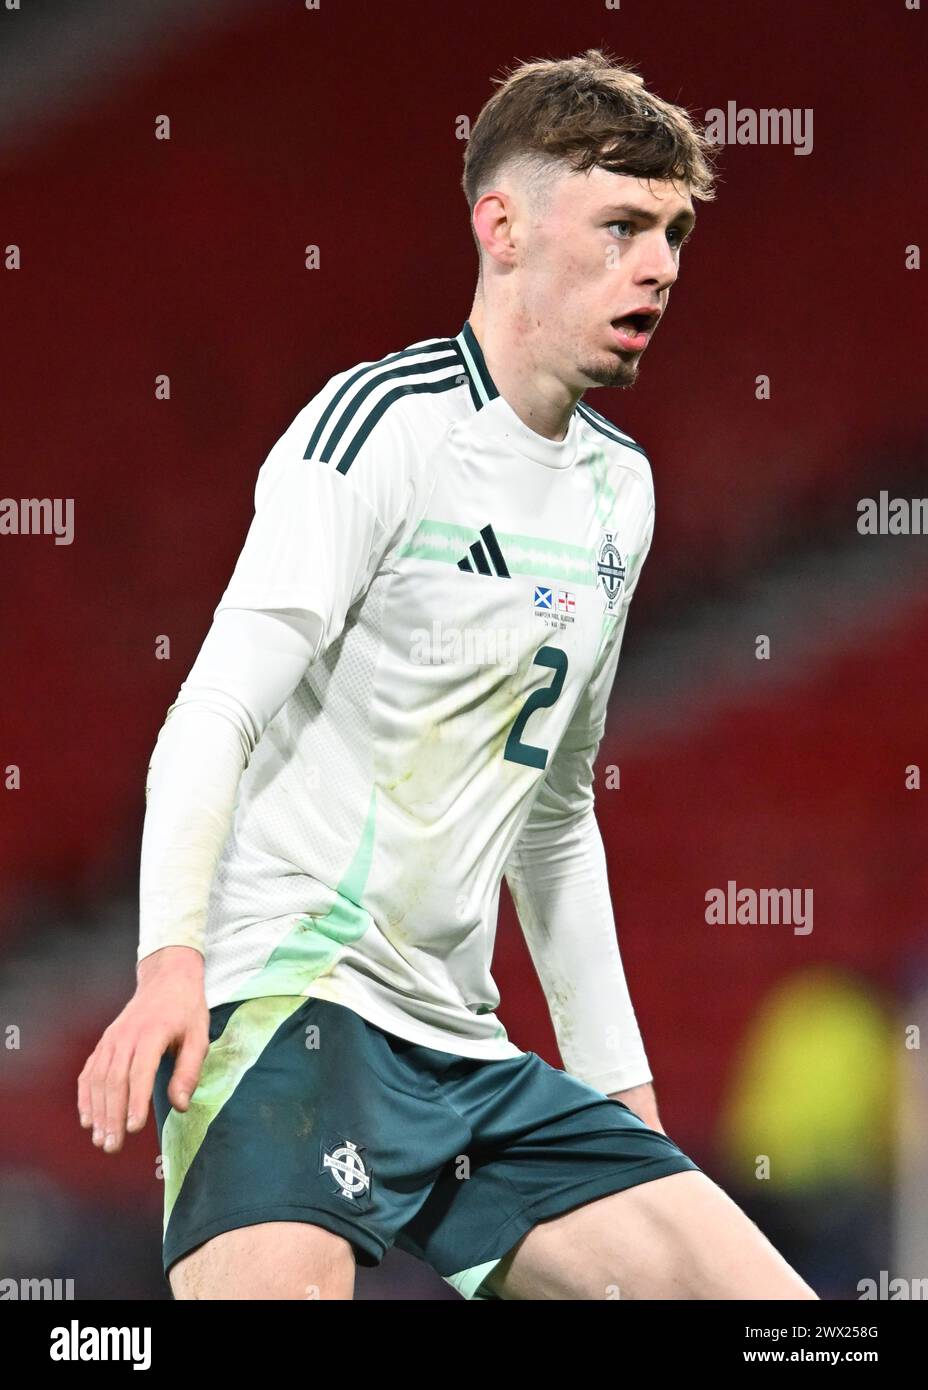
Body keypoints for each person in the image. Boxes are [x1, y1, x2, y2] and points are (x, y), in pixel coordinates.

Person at [77, 48, 817, 1301]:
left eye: (675, 234)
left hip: (461, 1047)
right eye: (625, 226)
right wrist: (172, 963)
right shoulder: (378, 429)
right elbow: (215, 706)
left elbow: (557, 813)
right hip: (289, 1010)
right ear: (504, 226)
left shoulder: (617, 492)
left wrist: (617, 1090)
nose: (661, 267)